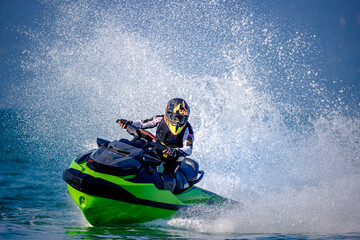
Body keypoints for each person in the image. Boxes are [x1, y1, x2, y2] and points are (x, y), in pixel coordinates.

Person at [118, 98, 194, 177]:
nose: (178, 122)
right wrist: (128, 123)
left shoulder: (188, 129)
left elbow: (188, 148)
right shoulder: (160, 119)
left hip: (172, 160)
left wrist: (175, 151)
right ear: (168, 114)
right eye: (176, 118)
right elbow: (142, 123)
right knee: (139, 143)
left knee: (168, 179)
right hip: (156, 151)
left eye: (182, 119)